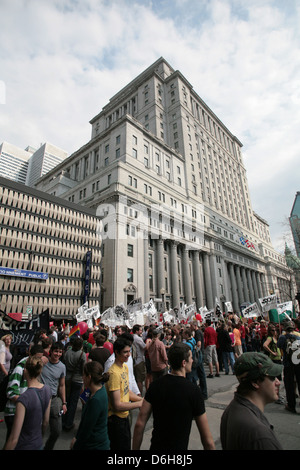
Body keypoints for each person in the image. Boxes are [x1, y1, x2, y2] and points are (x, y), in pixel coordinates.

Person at [132, 342, 215, 450]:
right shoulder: (193, 391)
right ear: (184, 363)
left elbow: (140, 423)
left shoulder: (155, 386)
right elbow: (207, 440)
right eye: (190, 358)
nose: (192, 360)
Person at [220, 352, 283, 450]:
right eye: (272, 377)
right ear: (255, 382)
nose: (278, 382)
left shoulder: (233, 408)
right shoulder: (260, 436)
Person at [4, 356, 51, 450]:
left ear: (25, 371)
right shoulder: (47, 390)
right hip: (38, 443)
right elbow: (45, 422)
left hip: (24, 445)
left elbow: (14, 438)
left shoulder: (24, 399)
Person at [106, 336, 143, 450]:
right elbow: (117, 405)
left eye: (129, 351)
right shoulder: (114, 373)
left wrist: (142, 400)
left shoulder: (125, 367)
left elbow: (127, 392)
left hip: (125, 417)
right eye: (125, 352)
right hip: (116, 421)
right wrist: (139, 404)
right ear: (116, 352)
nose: (128, 354)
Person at [70, 361, 110, 450]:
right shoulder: (100, 390)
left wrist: (75, 446)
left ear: (89, 377)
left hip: (94, 445)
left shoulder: (96, 400)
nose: (82, 378)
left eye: (84, 375)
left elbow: (86, 429)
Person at [40, 341, 67, 450]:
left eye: (60, 352)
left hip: (54, 399)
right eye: (56, 351)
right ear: (51, 352)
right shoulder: (43, 362)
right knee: (39, 428)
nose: (58, 354)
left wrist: (64, 402)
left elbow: (62, 385)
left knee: (56, 430)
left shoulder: (62, 367)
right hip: (41, 398)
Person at [62, 336, 86, 431]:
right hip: (78, 379)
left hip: (67, 378)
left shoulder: (67, 353)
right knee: (73, 402)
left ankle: (64, 420)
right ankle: (69, 423)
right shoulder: (82, 354)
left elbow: (64, 364)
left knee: (67, 400)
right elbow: (83, 369)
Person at [277, 321, 300, 413]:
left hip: (288, 364)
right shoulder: (298, 337)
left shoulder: (282, 337)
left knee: (289, 385)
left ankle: (291, 405)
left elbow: (278, 346)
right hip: (298, 362)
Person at [132, 324, 147, 394]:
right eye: (140, 330)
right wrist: (150, 342)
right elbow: (145, 347)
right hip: (139, 360)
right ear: (137, 331)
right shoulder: (137, 338)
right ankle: (140, 394)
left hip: (135, 360)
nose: (141, 331)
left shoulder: (133, 337)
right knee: (139, 380)